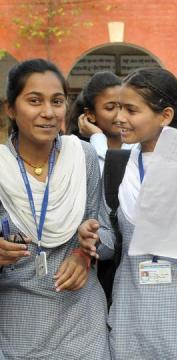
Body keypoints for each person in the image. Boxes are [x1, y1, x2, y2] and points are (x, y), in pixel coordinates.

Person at [78, 67, 177, 359]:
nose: (119, 118)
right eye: (118, 109)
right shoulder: (116, 166)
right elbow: (113, 244)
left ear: (164, 115)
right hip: (133, 320)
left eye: (131, 110)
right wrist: (94, 237)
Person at [0, 59, 109, 358]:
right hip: (18, 325)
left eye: (57, 101)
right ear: (11, 108)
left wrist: (85, 251)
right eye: (35, 101)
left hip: (81, 321)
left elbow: (106, 231)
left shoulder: (82, 156)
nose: (48, 112)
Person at [70, 71, 131, 173]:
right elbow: (106, 182)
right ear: (90, 115)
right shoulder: (76, 152)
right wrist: (97, 136)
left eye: (123, 106)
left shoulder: (139, 146)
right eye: (110, 108)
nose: (120, 114)